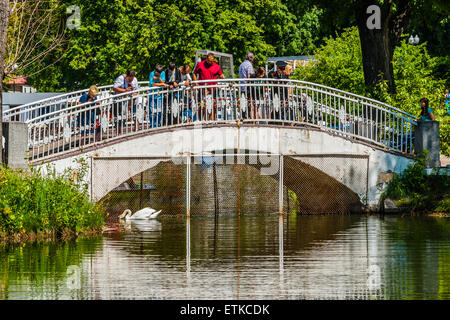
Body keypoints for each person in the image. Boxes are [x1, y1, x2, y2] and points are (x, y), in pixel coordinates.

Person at [193, 52, 225, 120]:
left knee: (214, 106)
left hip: (213, 89)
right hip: (202, 89)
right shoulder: (200, 64)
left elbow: (221, 74)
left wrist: (223, 77)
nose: (210, 62)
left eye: (212, 61)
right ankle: (201, 120)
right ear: (206, 59)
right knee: (202, 106)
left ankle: (212, 120)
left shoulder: (216, 66)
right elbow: (194, 73)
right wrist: (196, 83)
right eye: (209, 61)